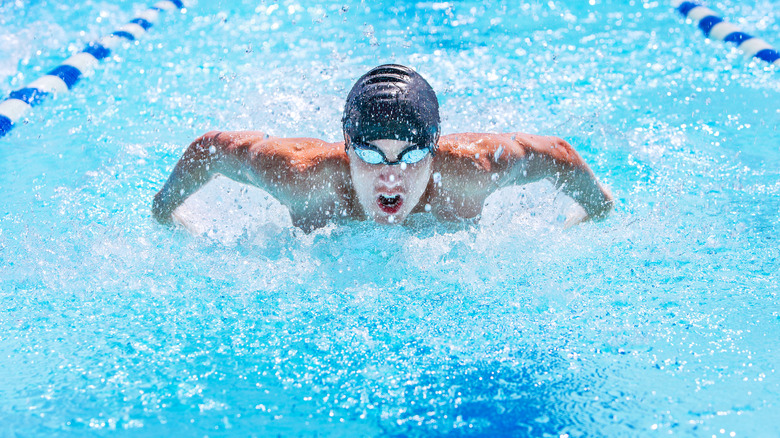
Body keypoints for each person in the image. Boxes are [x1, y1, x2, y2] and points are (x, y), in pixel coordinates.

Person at [152, 64, 613, 232]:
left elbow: (558, 154)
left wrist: (599, 208)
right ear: (347, 147)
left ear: (434, 151)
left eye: (410, 155)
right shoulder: (300, 175)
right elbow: (209, 148)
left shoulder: (471, 169)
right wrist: (164, 211)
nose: (391, 176)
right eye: (371, 155)